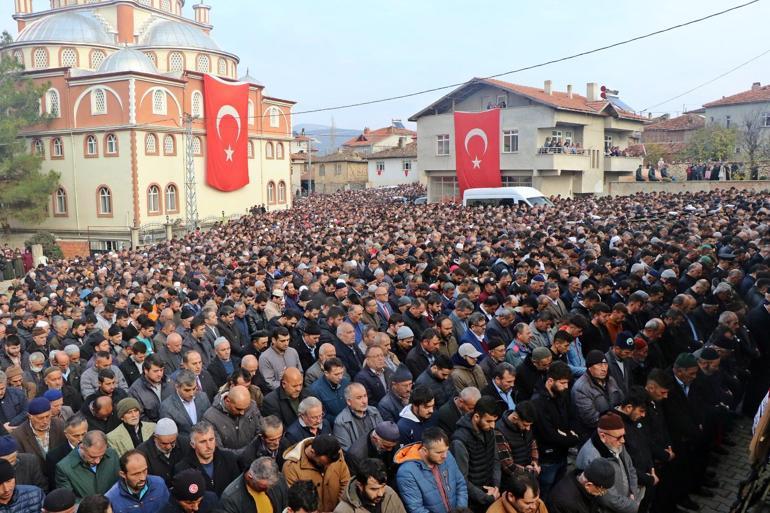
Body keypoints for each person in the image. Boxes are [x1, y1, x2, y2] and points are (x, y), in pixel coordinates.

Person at [575, 412, 641, 513]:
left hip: (626, 502)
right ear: (603, 436)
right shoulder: (592, 457)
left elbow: (630, 469)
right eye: (619, 437)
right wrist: (633, 506)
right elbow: (606, 498)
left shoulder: (616, 442)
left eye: (623, 435)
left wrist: (633, 493)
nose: (623, 440)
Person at [531, 362, 578, 498]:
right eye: (563, 383)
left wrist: (567, 434)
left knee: (558, 492)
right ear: (550, 381)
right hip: (547, 459)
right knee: (545, 494)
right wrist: (572, 438)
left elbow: (571, 417)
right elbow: (549, 434)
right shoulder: (538, 402)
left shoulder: (561, 395)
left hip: (562, 454)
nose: (566, 387)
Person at [395, 427, 468, 513]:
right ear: (425, 450)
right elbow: (416, 509)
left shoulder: (447, 455)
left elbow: (460, 483)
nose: (444, 456)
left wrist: (460, 509)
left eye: (446, 450)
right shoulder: (407, 472)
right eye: (439, 452)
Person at [450, 396, 502, 510]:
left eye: (494, 421)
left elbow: (495, 460)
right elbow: (461, 479)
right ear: (477, 417)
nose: (493, 425)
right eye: (489, 421)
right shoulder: (459, 441)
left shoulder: (489, 431)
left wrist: (496, 487)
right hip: (472, 503)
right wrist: (485, 497)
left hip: (491, 494)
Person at [282, 435, 351, 513]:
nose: (329, 466)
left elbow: (346, 484)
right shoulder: (291, 467)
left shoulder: (335, 454)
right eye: (324, 463)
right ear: (313, 452)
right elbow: (295, 500)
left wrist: (339, 510)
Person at [173, 420, 240, 497]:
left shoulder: (229, 459)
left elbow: (237, 489)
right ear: (192, 444)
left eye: (211, 439)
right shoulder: (182, 469)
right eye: (203, 442)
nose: (209, 446)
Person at [572, 351, 623, 439]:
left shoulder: (610, 380)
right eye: (599, 365)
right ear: (589, 367)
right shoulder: (581, 388)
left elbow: (621, 400)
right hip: (593, 435)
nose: (604, 369)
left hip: (615, 428)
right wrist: (616, 416)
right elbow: (591, 419)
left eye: (605, 364)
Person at [55, 430, 120, 498]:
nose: (97, 461)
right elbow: (68, 499)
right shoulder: (64, 468)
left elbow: (120, 484)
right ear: (82, 447)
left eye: (101, 456)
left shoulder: (112, 454)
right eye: (92, 457)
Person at [105, 450, 170, 513]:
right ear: (123, 474)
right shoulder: (111, 498)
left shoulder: (159, 484)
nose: (143, 478)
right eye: (136, 474)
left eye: (144, 470)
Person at [201, 385, 261, 453]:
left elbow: (260, 430)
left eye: (246, 408)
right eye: (238, 409)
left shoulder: (252, 405)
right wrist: (244, 454)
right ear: (227, 401)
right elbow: (218, 449)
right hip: (228, 461)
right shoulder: (210, 418)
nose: (242, 413)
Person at [11, 396, 65, 469]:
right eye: (40, 418)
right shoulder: (18, 435)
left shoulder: (60, 426)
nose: (45, 421)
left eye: (47, 416)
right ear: (30, 416)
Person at [334, 458, 406, 513]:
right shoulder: (343, 510)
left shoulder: (389, 493)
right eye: (374, 489)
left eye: (383, 487)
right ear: (360, 486)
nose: (380, 493)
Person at [220, 456, 288, 513]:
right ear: (250, 476)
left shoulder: (278, 479)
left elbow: (286, 505)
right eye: (264, 486)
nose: (270, 488)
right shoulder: (231, 498)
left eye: (272, 484)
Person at [159, 369, 211, 440]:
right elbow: (170, 435)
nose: (192, 394)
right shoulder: (167, 407)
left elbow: (209, 423)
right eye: (187, 390)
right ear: (177, 387)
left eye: (194, 389)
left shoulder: (203, 397)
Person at [548, 458, 616, 513]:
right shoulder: (565, 502)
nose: (602, 494)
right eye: (601, 490)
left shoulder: (584, 480)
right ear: (588, 485)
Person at [136, 418, 186, 488]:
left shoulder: (184, 444)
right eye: (164, 443)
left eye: (172, 442)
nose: (168, 447)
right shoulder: (142, 452)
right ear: (155, 437)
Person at [333, 382, 384, 451]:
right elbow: (347, 451)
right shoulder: (341, 422)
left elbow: (383, 435)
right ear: (349, 402)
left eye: (365, 396)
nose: (364, 401)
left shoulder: (374, 411)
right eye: (359, 398)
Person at [495, 400, 539, 478]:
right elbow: (507, 465)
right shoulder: (499, 431)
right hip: (513, 480)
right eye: (525, 425)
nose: (528, 429)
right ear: (515, 418)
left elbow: (532, 443)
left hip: (529, 473)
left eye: (529, 425)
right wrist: (530, 471)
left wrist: (534, 461)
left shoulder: (526, 424)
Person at [129, 354, 173, 423]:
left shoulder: (170, 381)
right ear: (146, 370)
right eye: (155, 371)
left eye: (161, 370)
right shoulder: (135, 390)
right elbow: (140, 416)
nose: (160, 374)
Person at [309, 357, 350, 423]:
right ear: (326, 373)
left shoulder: (345, 382)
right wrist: (340, 420)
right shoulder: (315, 390)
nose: (340, 377)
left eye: (341, 373)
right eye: (336, 374)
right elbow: (322, 415)